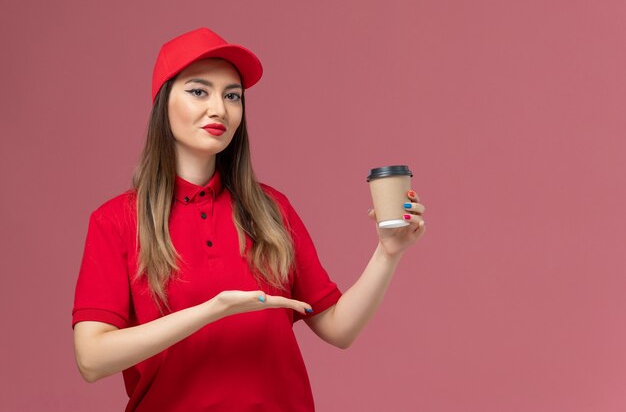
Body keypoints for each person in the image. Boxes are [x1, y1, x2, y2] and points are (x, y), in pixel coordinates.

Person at [71, 27, 426, 412]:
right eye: (198, 91)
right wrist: (212, 310)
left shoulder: (272, 209)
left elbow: (338, 328)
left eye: (232, 96)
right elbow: (91, 359)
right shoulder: (116, 221)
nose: (218, 108)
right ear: (162, 102)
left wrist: (388, 253)